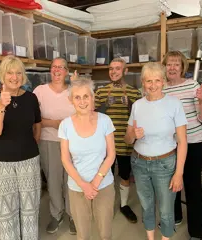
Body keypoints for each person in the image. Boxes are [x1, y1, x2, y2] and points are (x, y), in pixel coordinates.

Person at [124, 62, 188, 240]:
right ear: (143, 83)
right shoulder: (137, 105)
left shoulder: (174, 104)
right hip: (139, 162)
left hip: (165, 164)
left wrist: (179, 173)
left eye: (157, 80)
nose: (153, 85)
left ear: (164, 81)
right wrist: (133, 135)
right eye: (148, 81)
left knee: (167, 210)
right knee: (146, 205)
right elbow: (127, 139)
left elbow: (183, 141)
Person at [0, 55, 42, 240]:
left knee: (30, 208)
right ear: (3, 75)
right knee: (5, 212)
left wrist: (30, 147)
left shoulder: (31, 98)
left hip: (28, 160)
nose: (14, 77)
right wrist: (2, 105)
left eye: (18, 72)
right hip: (0, 164)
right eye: (10, 72)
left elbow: (37, 126)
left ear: (23, 76)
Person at [58, 77, 116, 240]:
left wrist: (95, 182)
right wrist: (84, 185)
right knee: (82, 234)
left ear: (92, 98)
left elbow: (111, 154)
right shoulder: (65, 125)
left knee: (105, 233)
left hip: (103, 185)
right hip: (77, 188)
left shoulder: (105, 121)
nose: (82, 101)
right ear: (71, 100)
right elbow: (65, 159)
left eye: (86, 96)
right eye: (77, 97)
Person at [162, 51, 202, 240]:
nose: (172, 68)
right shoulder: (162, 88)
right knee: (170, 183)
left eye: (176, 64)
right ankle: (175, 218)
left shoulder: (193, 86)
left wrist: (200, 100)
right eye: (169, 64)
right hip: (169, 145)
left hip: (193, 142)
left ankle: (196, 232)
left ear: (183, 68)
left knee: (192, 186)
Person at [33, 57, 76, 234]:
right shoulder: (40, 91)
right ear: (50, 70)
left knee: (72, 180)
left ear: (67, 71)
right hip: (48, 141)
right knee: (53, 180)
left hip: (73, 143)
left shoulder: (74, 91)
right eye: (54, 67)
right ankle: (56, 214)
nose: (57, 70)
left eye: (61, 67)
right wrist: (53, 123)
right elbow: (33, 118)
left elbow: (85, 113)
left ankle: (73, 214)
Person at [95, 58, 141, 223]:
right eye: (111, 69)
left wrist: (129, 104)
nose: (113, 72)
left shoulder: (134, 92)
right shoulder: (100, 92)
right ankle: (102, 205)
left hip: (125, 142)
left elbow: (139, 117)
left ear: (125, 71)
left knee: (124, 175)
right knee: (102, 174)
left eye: (117, 69)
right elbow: (91, 115)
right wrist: (104, 106)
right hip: (104, 144)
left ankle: (123, 205)